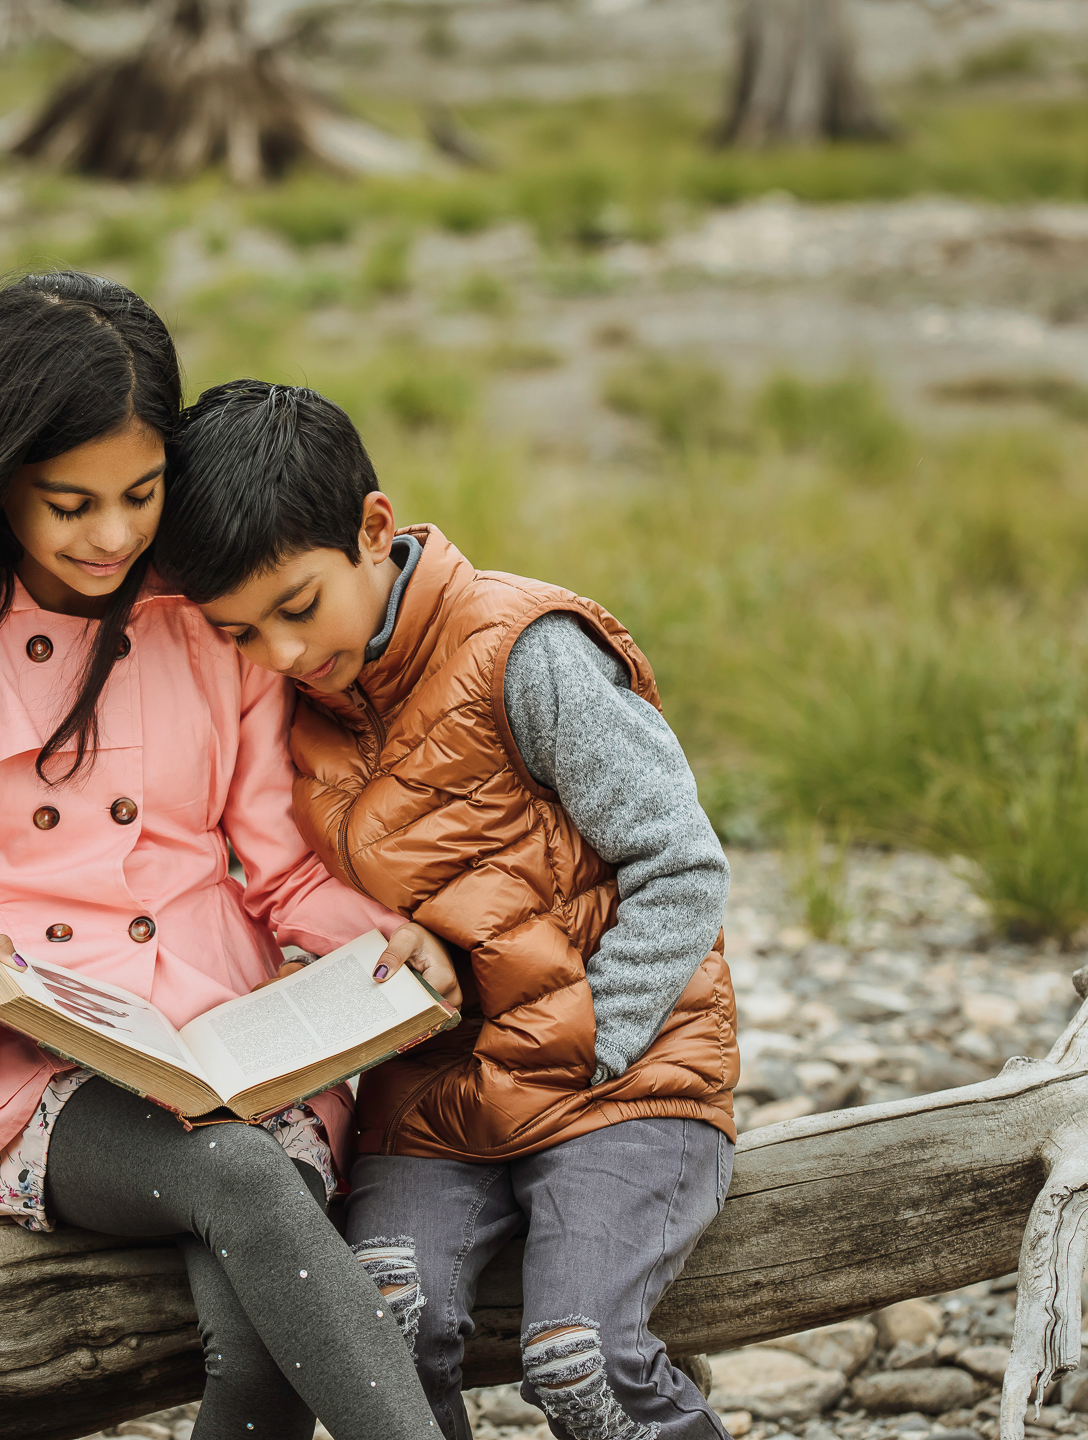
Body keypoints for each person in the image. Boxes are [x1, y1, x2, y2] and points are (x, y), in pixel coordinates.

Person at [0, 275, 454, 1440]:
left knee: (254, 1344)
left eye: (140, 495)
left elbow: (281, 870)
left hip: (223, 1047)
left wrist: (384, 947)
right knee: (244, 1182)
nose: (113, 536)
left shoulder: (208, 624)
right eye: (69, 503)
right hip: (39, 1074)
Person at [155, 379, 739, 1440]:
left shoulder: (527, 650)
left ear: (375, 528)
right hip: (430, 1101)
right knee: (382, 1327)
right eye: (242, 633)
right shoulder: (293, 705)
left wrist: (594, 1041)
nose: (282, 653)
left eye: (297, 606)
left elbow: (683, 864)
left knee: (581, 1364)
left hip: (624, 1079)